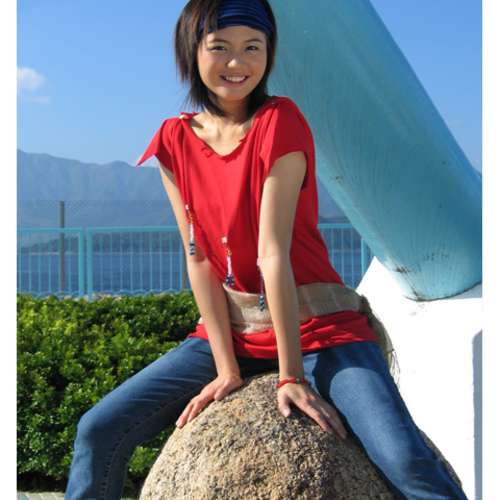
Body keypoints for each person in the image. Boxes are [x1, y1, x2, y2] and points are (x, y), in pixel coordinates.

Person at [65, 1, 468, 499]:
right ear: (191, 52)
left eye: (252, 48)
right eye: (220, 47)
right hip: (234, 334)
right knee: (97, 429)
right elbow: (197, 255)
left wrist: (290, 375)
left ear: (269, 54)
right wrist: (226, 368)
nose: (237, 63)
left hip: (320, 331)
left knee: (404, 457)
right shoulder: (173, 139)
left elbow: (270, 253)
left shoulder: (279, 120)